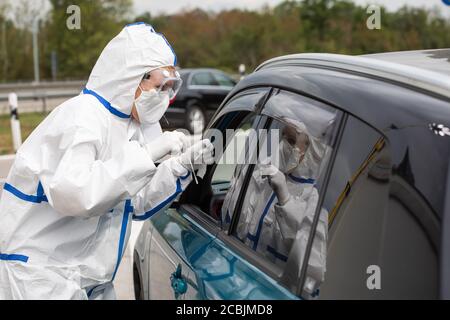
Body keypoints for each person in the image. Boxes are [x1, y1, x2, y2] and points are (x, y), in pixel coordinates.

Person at [0, 23, 213, 300]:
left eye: (170, 88)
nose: (163, 97)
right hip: (40, 276)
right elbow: (77, 194)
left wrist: (179, 167)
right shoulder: (83, 118)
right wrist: (147, 155)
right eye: (159, 86)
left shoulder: (133, 126)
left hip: (87, 277)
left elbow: (131, 201)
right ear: (131, 78)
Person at [230, 120, 328, 297]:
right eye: (283, 136)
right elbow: (237, 223)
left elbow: (310, 269)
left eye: (291, 141)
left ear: (311, 152)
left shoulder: (313, 201)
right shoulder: (264, 178)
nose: (283, 144)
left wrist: (286, 200)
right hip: (241, 282)